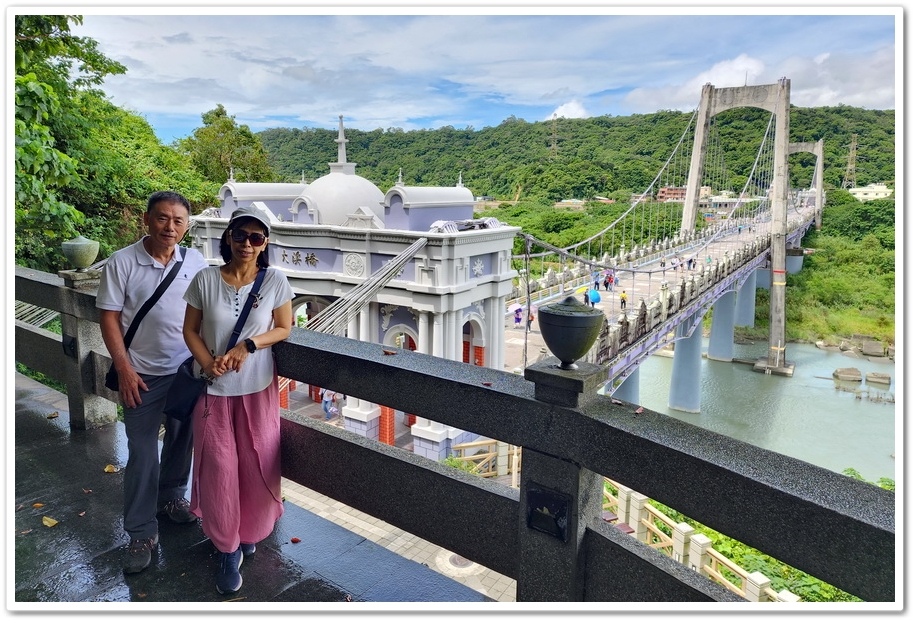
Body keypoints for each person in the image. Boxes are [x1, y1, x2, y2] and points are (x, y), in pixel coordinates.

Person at [182, 205, 294, 595]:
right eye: (240, 235)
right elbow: (190, 330)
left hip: (257, 390)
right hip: (213, 393)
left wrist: (249, 344)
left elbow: (284, 328)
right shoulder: (205, 279)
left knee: (258, 465)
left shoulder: (275, 281)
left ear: (265, 244)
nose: (247, 244)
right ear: (227, 237)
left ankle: (250, 533)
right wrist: (206, 363)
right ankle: (228, 546)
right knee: (218, 470)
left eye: (256, 238)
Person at [96, 190, 209, 574]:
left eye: (178, 221)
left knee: (181, 439)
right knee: (143, 453)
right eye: (162, 218)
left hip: (184, 371)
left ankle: (172, 498)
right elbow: (109, 318)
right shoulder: (122, 262)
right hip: (140, 374)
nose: (170, 227)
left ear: (187, 226)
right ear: (147, 220)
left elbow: (212, 307)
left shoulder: (195, 260)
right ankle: (141, 532)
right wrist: (124, 368)